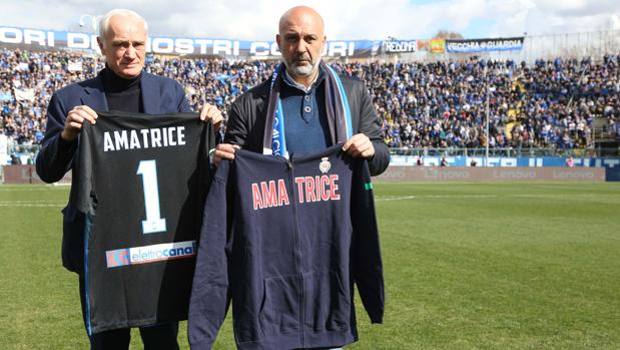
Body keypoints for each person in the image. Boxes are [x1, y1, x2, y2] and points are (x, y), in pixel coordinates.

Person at [35, 9, 221, 350]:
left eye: (138, 44)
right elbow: (46, 171)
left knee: (163, 343)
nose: (130, 52)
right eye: (120, 44)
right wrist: (65, 137)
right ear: (101, 46)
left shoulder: (169, 93)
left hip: (159, 247)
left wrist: (211, 131)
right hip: (103, 248)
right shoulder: (70, 98)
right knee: (107, 345)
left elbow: (196, 165)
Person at [213, 6, 389, 176]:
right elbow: (232, 166)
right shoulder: (248, 104)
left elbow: (381, 157)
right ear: (279, 42)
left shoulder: (354, 92)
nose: (300, 48)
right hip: (278, 206)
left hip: (338, 206)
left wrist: (370, 150)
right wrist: (223, 158)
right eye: (292, 38)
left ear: (323, 42)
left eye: (310, 39)